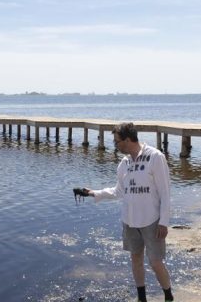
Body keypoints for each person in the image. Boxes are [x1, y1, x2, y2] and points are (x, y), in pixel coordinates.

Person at [80, 123, 174, 302]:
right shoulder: (124, 163)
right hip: (130, 220)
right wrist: (94, 193)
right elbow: (119, 191)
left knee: (155, 262)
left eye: (117, 142)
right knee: (136, 259)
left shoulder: (155, 157)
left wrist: (164, 221)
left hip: (152, 221)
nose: (115, 145)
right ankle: (141, 298)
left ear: (128, 139)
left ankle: (168, 295)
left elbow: (165, 192)